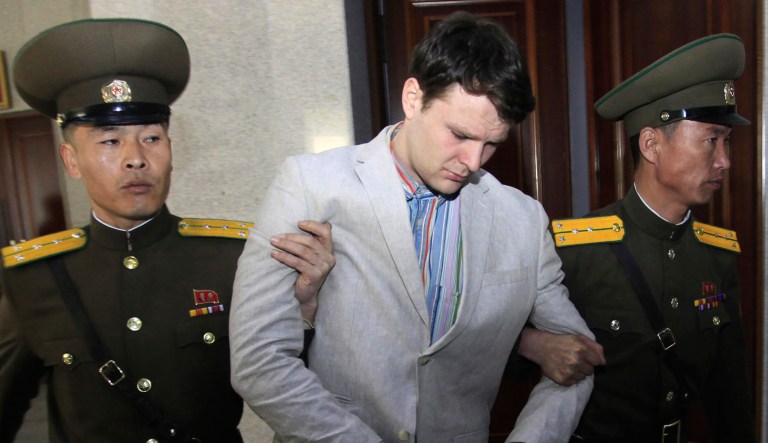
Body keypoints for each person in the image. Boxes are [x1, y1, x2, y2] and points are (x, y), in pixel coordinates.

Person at [229, 12, 595, 442]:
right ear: (413, 98)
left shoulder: (524, 219)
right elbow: (259, 359)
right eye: (459, 134)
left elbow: (578, 357)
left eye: (492, 143)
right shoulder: (310, 185)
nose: (474, 162)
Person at [0, 19, 334, 442]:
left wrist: (305, 307)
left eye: (152, 138)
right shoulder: (34, 277)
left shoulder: (231, 257)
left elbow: (290, 383)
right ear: (70, 161)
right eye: (109, 141)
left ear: (171, 151)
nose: (136, 159)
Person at [520, 34, 756, 442]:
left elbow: (728, 390)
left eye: (727, 141)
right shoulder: (575, 250)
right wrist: (533, 344)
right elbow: (486, 343)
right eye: (710, 140)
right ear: (651, 144)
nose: (725, 161)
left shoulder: (717, 254)